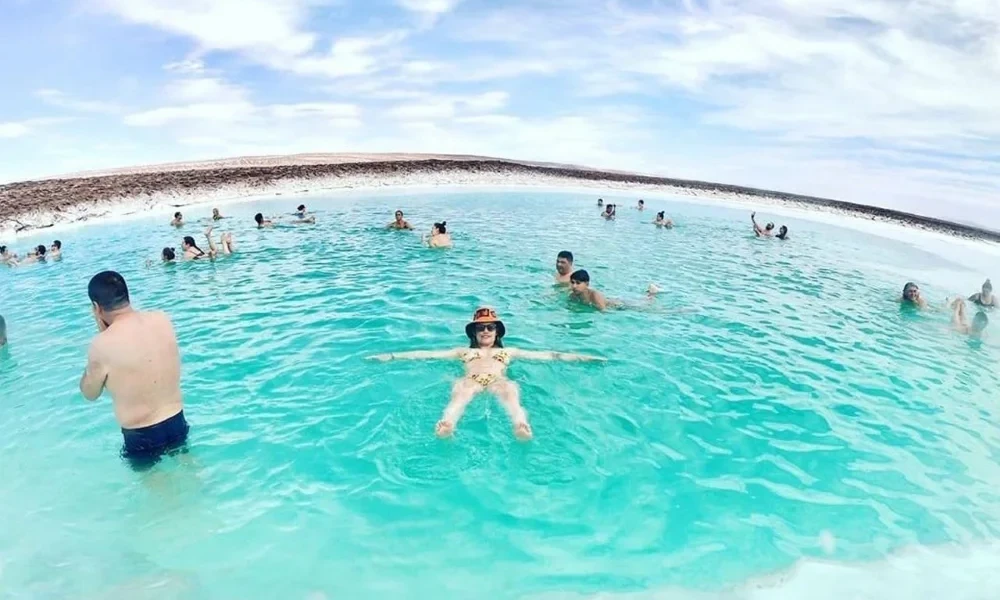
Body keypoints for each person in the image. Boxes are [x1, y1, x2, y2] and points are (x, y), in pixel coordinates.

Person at [368, 307, 604, 440]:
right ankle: (448, 424)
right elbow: (427, 354)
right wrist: (391, 357)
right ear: (473, 333)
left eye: (490, 327)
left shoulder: (510, 351)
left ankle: (520, 425)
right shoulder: (463, 352)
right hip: (471, 379)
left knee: (510, 389)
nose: (486, 331)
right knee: (462, 389)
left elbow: (550, 356)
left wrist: (584, 358)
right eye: (480, 328)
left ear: (497, 332)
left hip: (497, 380)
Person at [79, 271, 188, 470]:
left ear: (96, 307)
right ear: (127, 296)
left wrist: (102, 332)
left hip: (141, 435)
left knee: (161, 497)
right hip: (176, 422)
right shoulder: (162, 319)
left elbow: (90, 393)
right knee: (193, 476)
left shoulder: (101, 344)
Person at [569, 270, 660, 311]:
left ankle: (652, 293)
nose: (574, 286)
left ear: (587, 284)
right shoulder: (573, 296)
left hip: (620, 305)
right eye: (572, 282)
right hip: (612, 301)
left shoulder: (594, 295)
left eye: (578, 283)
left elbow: (604, 311)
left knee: (646, 306)